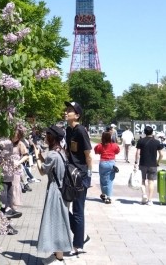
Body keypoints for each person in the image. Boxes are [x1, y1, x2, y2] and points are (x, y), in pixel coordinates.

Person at [33, 125, 72, 264]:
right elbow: (50, 166)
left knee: (55, 222)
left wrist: (37, 157)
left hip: (55, 191)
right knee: (59, 222)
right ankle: (58, 255)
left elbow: (43, 171)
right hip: (62, 190)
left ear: (52, 137)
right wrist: (41, 157)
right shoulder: (61, 152)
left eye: (47, 135)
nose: (45, 137)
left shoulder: (53, 154)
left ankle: (58, 257)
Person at [64, 101, 92, 256]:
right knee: (62, 205)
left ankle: (78, 245)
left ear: (77, 115)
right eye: (67, 109)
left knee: (78, 210)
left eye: (70, 110)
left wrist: (89, 175)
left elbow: (88, 155)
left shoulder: (81, 130)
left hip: (80, 175)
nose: (66, 112)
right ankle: (81, 236)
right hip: (70, 173)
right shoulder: (69, 130)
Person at [0, 138, 22, 235]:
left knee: (9, 202)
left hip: (9, 174)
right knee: (3, 203)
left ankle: (8, 225)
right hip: (2, 175)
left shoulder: (8, 140)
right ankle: (3, 226)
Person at [134, 126, 163, 205]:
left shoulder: (141, 141)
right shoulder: (157, 142)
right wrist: (158, 162)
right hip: (153, 164)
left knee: (142, 180)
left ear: (144, 132)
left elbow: (137, 153)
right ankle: (150, 200)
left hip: (143, 163)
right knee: (151, 182)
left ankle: (144, 195)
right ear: (152, 132)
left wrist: (136, 162)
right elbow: (161, 154)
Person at [94, 131, 120, 204]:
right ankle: (108, 197)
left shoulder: (100, 145)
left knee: (102, 179)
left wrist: (100, 143)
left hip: (103, 163)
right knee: (110, 180)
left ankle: (103, 193)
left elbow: (96, 151)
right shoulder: (114, 145)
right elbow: (117, 151)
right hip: (111, 163)